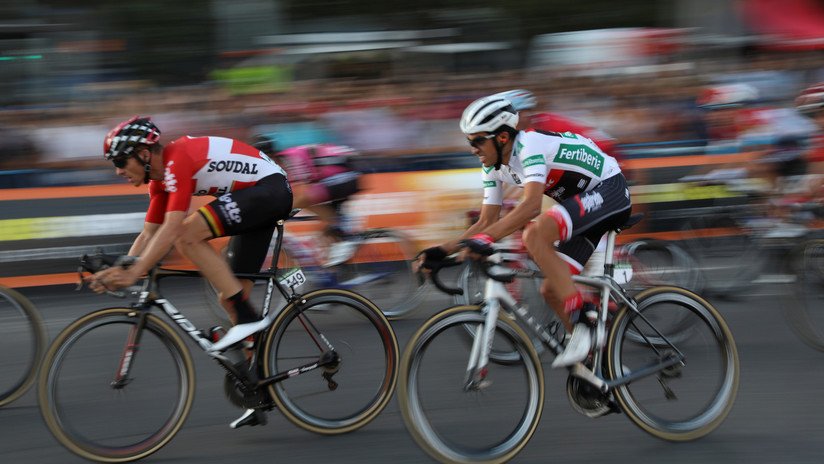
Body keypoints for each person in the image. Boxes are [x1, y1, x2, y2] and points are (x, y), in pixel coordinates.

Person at [86, 116, 293, 428]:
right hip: (256, 198)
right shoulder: (159, 182)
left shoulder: (177, 160)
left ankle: (249, 323)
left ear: (143, 153)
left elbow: (172, 230)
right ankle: (258, 389)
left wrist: (136, 270)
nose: (117, 170)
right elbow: (149, 235)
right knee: (232, 298)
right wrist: (119, 270)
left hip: (269, 190)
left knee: (186, 235)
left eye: (120, 161)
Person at [417, 95, 631, 368]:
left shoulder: (530, 145)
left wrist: (484, 240)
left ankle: (584, 318)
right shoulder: (492, 167)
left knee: (534, 234)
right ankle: (597, 369)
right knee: (552, 290)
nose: (472, 149)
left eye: (477, 141)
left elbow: (530, 207)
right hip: (583, 206)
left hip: (610, 190)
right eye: (469, 141)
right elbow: (485, 222)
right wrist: (442, 250)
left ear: (502, 137)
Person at [251, 135, 362, 267]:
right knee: (325, 236)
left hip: (344, 176)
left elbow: (303, 195)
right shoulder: (280, 164)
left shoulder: (291, 158)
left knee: (304, 199)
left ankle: (343, 229)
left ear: (271, 156)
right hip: (338, 176)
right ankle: (337, 264)